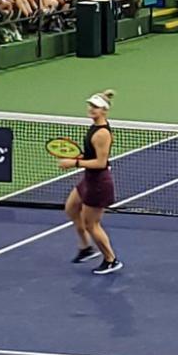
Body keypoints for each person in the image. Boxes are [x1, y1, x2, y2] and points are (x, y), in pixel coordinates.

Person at [58, 91, 121, 274]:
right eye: (91, 105)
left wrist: (74, 163)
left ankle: (111, 260)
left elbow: (100, 163)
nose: (91, 109)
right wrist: (79, 157)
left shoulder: (101, 134)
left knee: (91, 224)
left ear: (104, 111)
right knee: (71, 208)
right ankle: (86, 248)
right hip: (89, 179)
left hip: (99, 183)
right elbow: (91, 155)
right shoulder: (95, 126)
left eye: (96, 107)